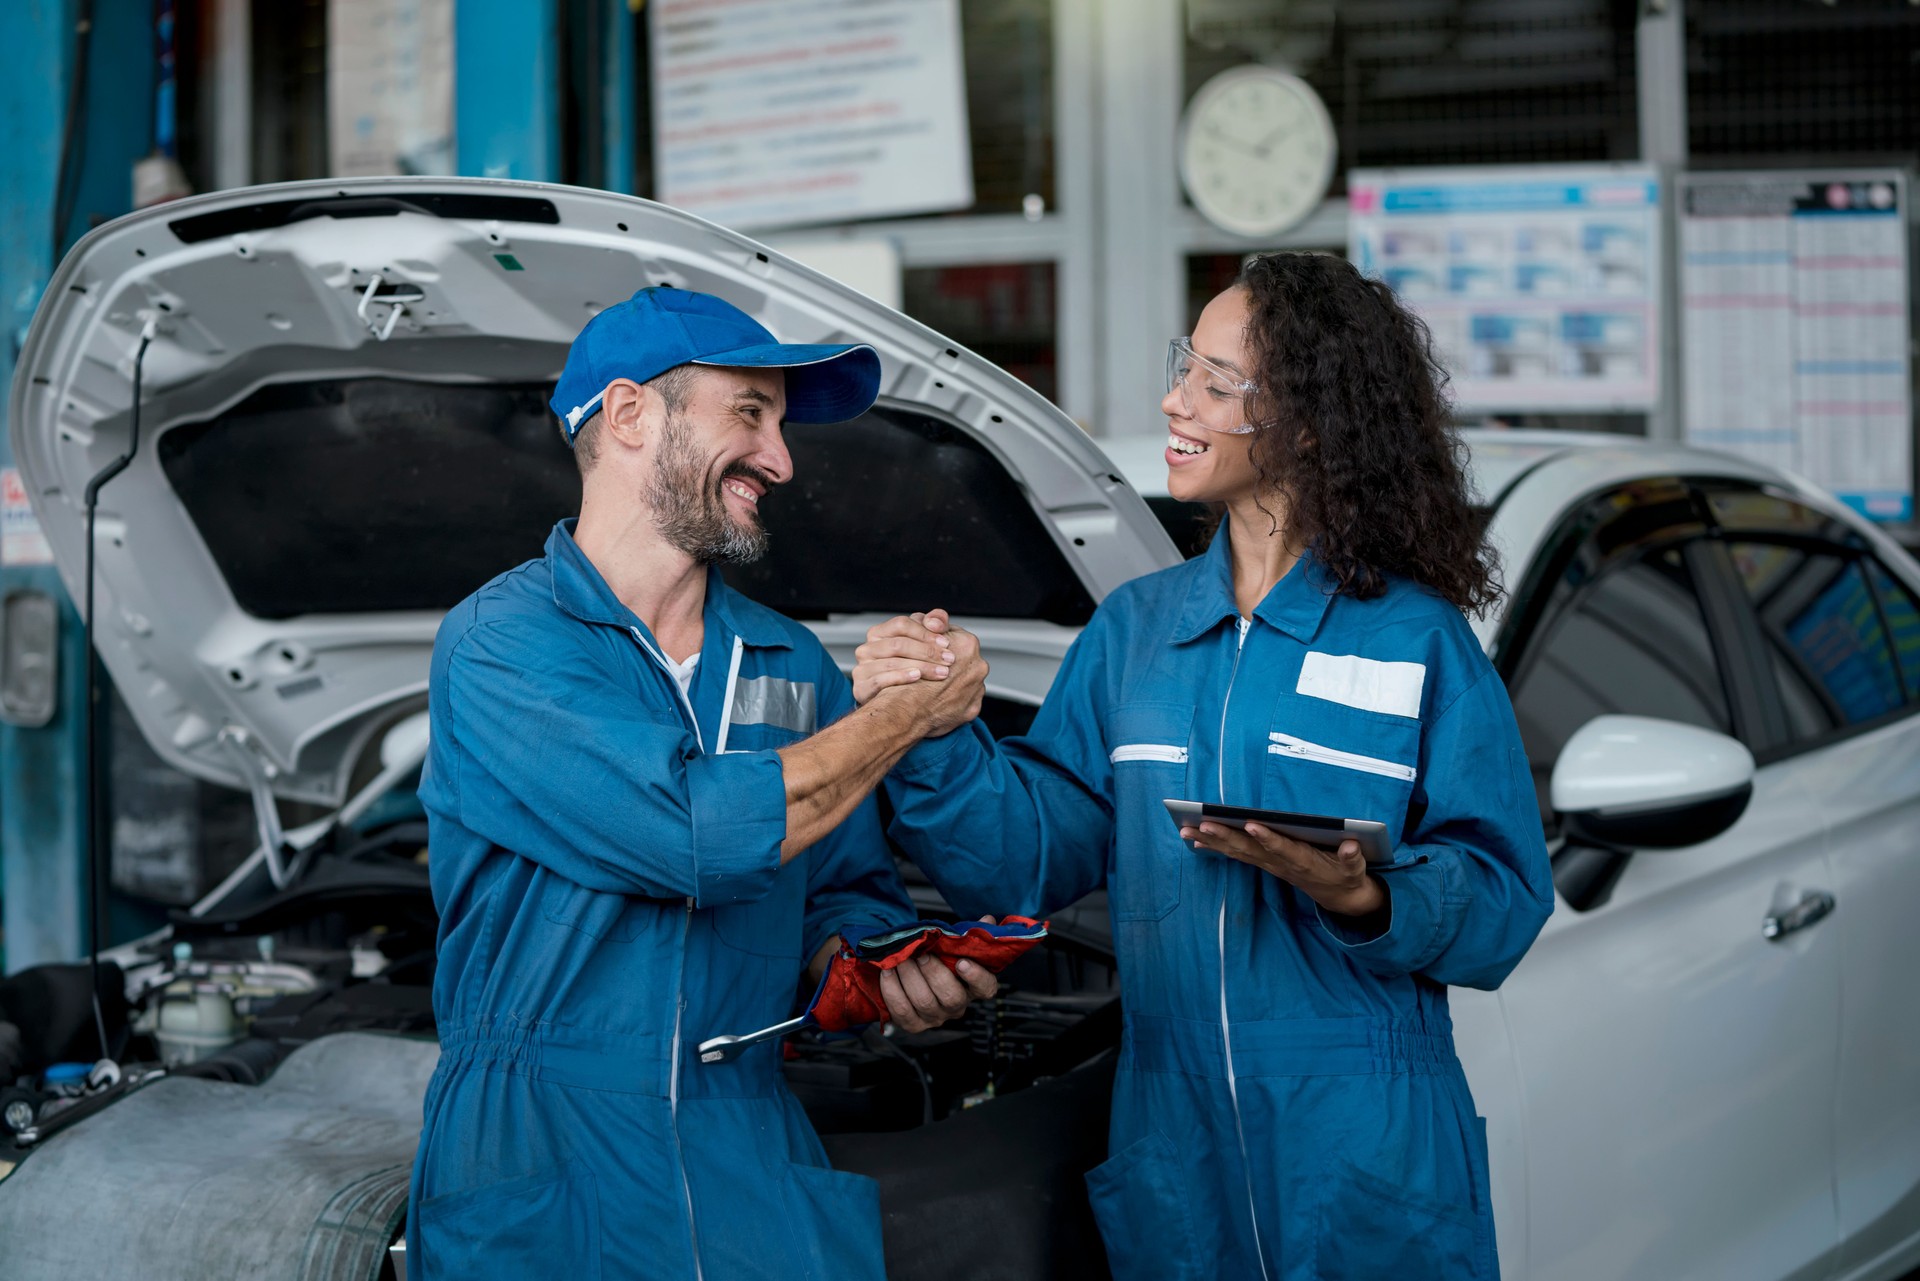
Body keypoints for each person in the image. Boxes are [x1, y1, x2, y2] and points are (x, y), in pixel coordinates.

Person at [853, 253, 1554, 1280]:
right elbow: (1026, 857)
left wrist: (1367, 895)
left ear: (1308, 424)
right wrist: (927, 730)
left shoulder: (1414, 641)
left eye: (1216, 384)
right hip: (1173, 1132)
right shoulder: (1136, 632)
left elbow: (1502, 901)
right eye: (1187, 367)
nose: (1174, 400)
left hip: (1362, 1135)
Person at [406, 287, 1000, 1280]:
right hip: (544, 1141)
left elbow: (841, 892)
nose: (782, 460)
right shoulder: (503, 646)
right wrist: (902, 718)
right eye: (751, 414)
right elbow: (687, 832)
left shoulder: (788, 659)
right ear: (632, 414)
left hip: (745, 1138)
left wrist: (881, 970)